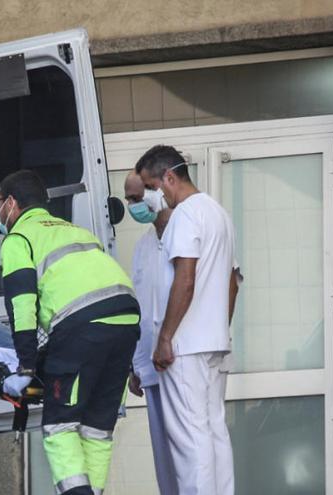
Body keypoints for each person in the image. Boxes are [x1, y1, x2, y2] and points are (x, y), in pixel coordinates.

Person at [0, 170, 139, 495]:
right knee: (97, 429)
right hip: (125, 320)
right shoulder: (76, 231)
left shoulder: (19, 238)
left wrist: (27, 363)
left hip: (83, 326)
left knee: (60, 425)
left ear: (10, 203)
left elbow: (22, 303)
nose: (0, 216)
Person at [136, 145, 239, 495]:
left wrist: (165, 337)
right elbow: (230, 283)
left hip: (185, 346)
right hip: (212, 342)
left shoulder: (185, 215)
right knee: (213, 431)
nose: (153, 196)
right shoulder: (218, 213)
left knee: (188, 439)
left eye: (152, 186)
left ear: (170, 177)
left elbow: (185, 277)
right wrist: (219, 326)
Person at [123, 171, 178, 495]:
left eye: (135, 197)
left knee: (190, 457)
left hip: (181, 364)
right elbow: (142, 308)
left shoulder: (188, 232)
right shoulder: (143, 245)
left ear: (156, 190)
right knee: (165, 463)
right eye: (128, 199)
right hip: (151, 369)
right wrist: (136, 367)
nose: (131, 206)